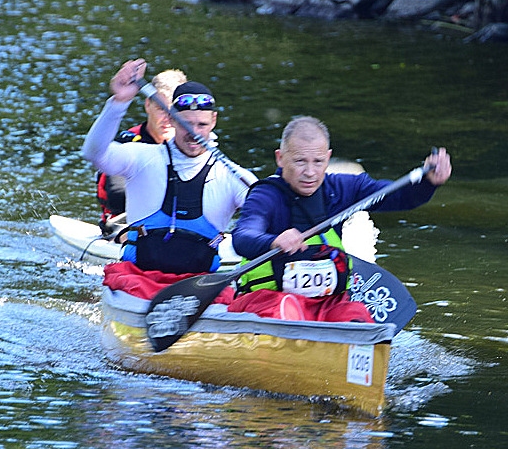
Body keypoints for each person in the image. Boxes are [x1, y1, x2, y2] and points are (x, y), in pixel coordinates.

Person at [225, 115, 451, 322]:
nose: (310, 172)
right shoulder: (265, 196)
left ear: (328, 158)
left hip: (325, 304)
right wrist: (273, 241)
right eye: (300, 161)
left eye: (318, 161)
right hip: (269, 300)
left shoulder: (342, 189)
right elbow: (243, 237)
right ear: (280, 158)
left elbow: (398, 197)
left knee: (357, 314)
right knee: (286, 308)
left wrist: (428, 182)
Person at [82, 58, 256, 278]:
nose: (193, 132)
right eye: (186, 124)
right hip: (135, 282)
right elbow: (93, 153)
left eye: (201, 125)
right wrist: (119, 102)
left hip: (198, 286)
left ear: (213, 121)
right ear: (172, 119)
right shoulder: (142, 158)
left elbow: (267, 216)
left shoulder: (233, 176)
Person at [95, 68, 187, 235]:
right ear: (148, 105)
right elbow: (116, 196)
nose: (168, 118)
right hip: (124, 226)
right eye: (161, 109)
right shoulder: (128, 145)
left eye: (174, 111)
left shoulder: (192, 146)